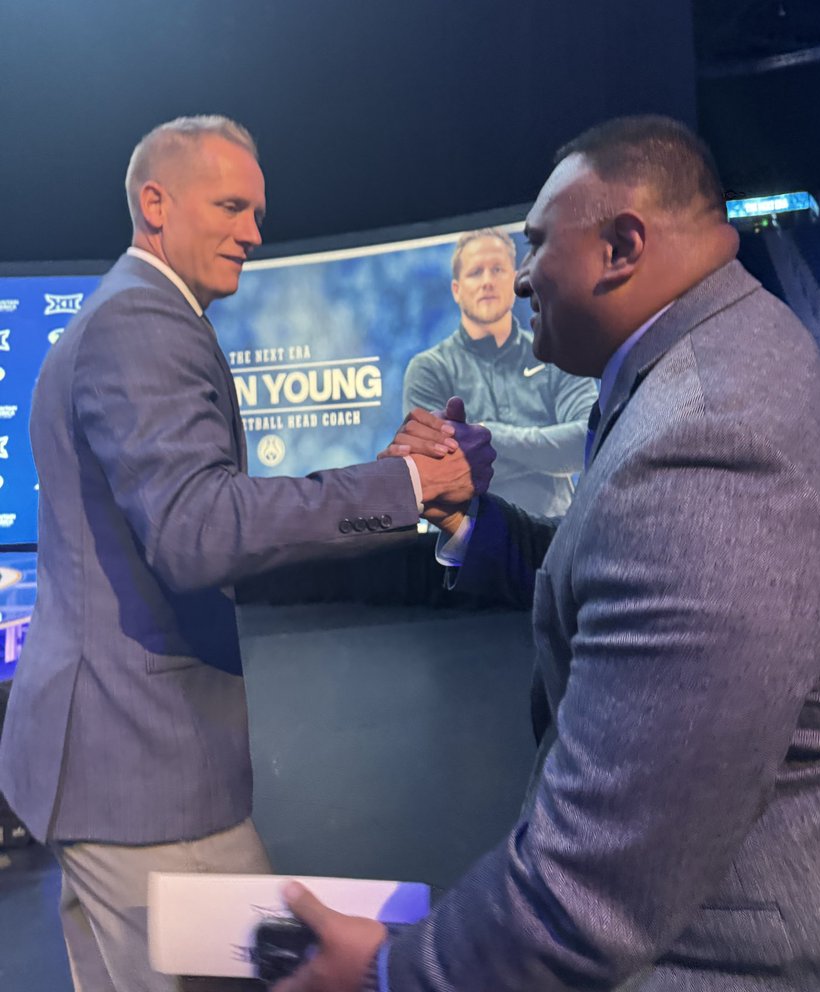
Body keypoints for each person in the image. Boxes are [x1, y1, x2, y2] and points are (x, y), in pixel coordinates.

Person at [274, 115, 820, 990]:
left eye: (533, 247)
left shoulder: (712, 446)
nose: (523, 277)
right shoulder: (717, 352)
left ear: (620, 247)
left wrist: (387, 975)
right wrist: (468, 518)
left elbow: (588, 896)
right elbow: (626, 579)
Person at [0, 116, 493, 992]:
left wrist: (390, 482)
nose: (256, 233)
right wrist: (409, 487)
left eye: (257, 211)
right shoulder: (143, 323)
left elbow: (201, 514)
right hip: (144, 776)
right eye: (232, 206)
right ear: (155, 204)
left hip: (104, 767)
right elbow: (199, 531)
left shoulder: (134, 313)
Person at [402, 227, 596, 517]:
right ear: (457, 289)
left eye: (497, 269)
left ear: (515, 278)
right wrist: (546, 451)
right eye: (476, 272)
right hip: (466, 547)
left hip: (555, 542)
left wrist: (485, 433)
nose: (487, 281)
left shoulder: (555, 353)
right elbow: (439, 471)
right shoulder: (429, 369)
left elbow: (585, 441)